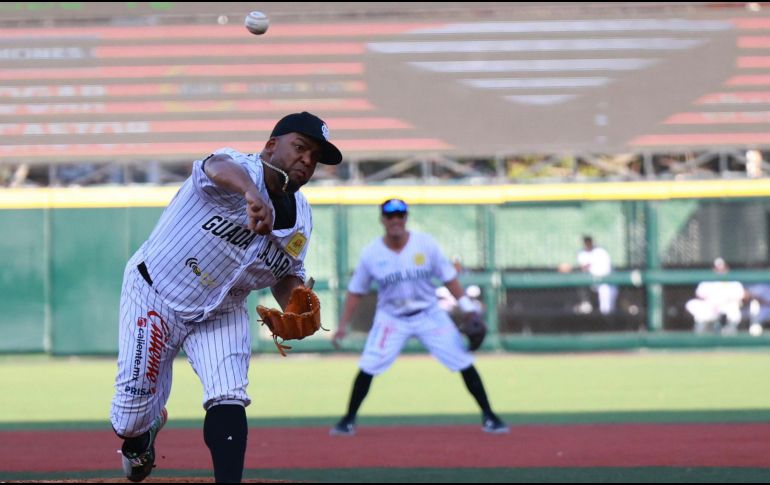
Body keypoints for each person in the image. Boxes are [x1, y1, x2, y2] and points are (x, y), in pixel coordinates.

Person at [109, 112, 343, 483]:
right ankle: (143, 433)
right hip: (156, 294)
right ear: (270, 145)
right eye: (301, 147)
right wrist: (251, 194)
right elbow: (213, 166)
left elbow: (285, 273)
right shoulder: (234, 169)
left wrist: (296, 300)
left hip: (223, 307)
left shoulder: (301, 220)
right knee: (127, 419)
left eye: (315, 157)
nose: (307, 160)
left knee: (229, 395)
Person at [330, 198, 508, 436]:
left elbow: (449, 278)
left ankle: (490, 416)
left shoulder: (425, 244)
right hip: (391, 317)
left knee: (463, 361)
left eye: (400, 215)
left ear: (406, 218)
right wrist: (343, 325)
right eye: (390, 216)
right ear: (382, 220)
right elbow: (356, 291)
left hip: (429, 314)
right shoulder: (371, 253)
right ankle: (348, 420)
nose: (395, 220)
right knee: (369, 364)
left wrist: (467, 307)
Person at [685, 258, 745, 335]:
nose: (720, 271)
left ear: (727, 269)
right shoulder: (707, 282)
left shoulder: (734, 283)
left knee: (734, 310)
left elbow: (740, 297)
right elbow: (699, 295)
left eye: (722, 268)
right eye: (717, 269)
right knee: (692, 304)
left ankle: (729, 334)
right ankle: (701, 333)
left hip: (727, 307)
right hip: (710, 307)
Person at [576, 235, 618, 315]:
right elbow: (583, 268)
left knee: (607, 308)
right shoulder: (582, 253)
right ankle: (585, 303)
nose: (587, 243)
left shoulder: (601, 251)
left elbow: (606, 268)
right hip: (591, 281)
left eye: (589, 241)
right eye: (585, 242)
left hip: (606, 281)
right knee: (581, 283)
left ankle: (609, 321)